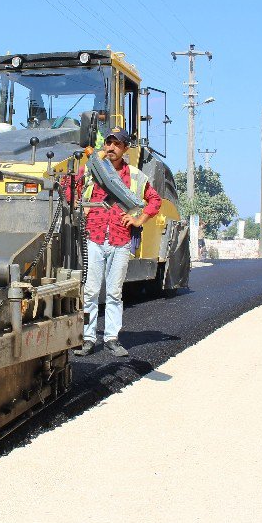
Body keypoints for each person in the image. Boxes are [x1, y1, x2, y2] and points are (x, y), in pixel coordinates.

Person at [72, 128, 162, 357]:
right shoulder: (92, 171)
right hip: (94, 237)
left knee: (114, 293)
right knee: (91, 292)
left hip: (120, 240)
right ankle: (88, 338)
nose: (111, 147)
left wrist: (138, 219)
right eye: (108, 143)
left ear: (125, 148)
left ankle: (112, 338)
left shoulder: (135, 176)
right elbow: (71, 187)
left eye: (116, 144)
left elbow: (154, 200)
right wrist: (96, 159)